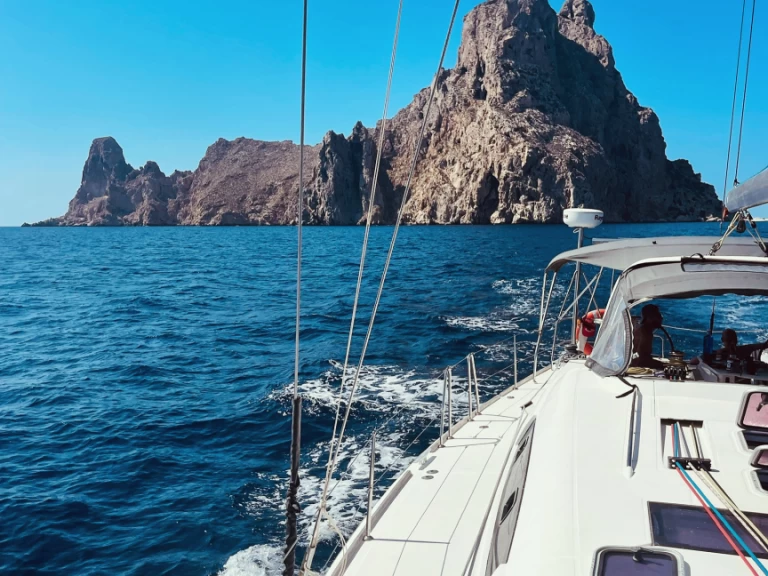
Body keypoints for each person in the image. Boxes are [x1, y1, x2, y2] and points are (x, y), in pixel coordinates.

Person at [631, 304, 665, 369]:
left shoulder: (646, 331)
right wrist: (661, 365)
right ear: (649, 317)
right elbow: (639, 358)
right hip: (637, 367)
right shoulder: (644, 333)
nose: (661, 317)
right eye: (657, 314)